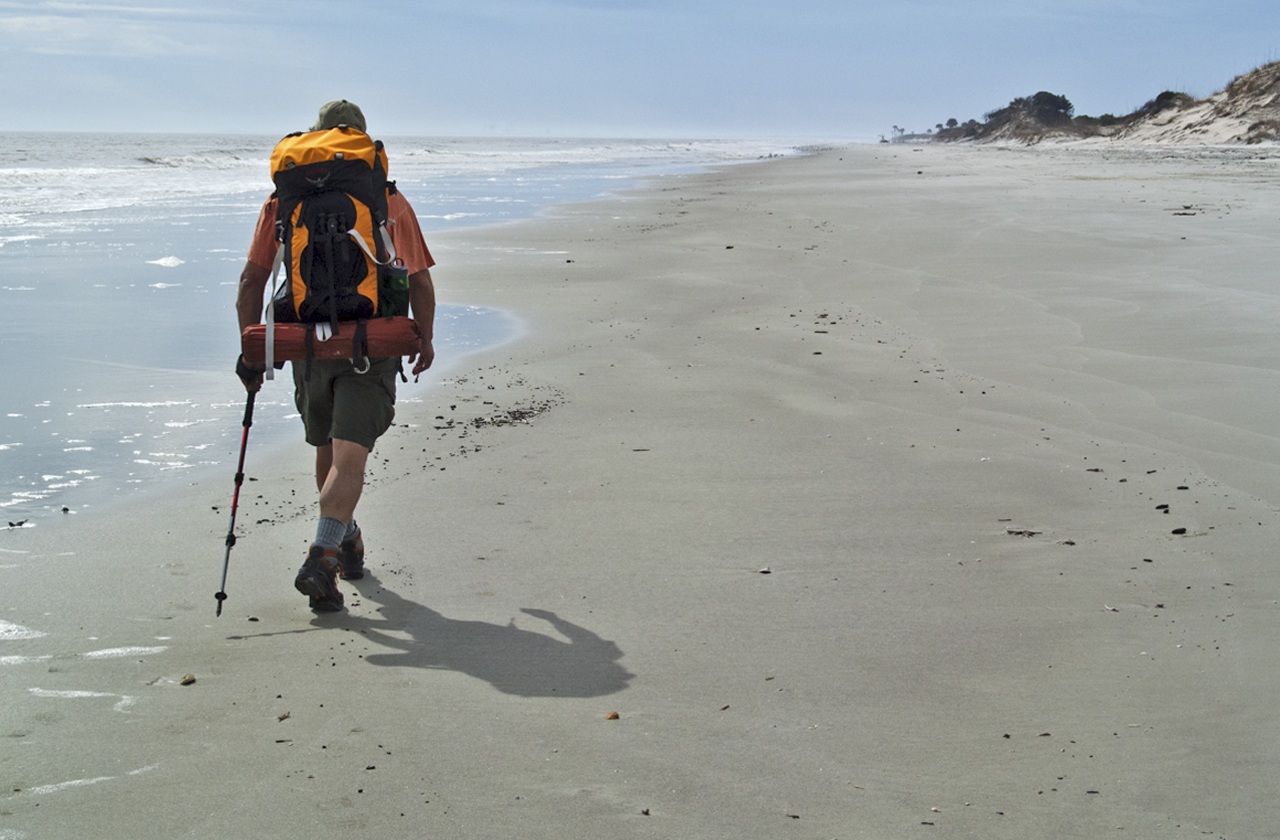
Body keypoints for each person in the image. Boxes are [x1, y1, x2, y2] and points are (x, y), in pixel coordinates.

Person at [235, 100, 436, 612]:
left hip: (308, 344)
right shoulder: (387, 198)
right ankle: (324, 556)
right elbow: (419, 281)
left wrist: (251, 350)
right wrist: (426, 338)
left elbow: (251, 283)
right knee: (350, 455)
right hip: (372, 342)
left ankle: (344, 539)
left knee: (327, 448)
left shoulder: (283, 200)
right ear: (363, 144)